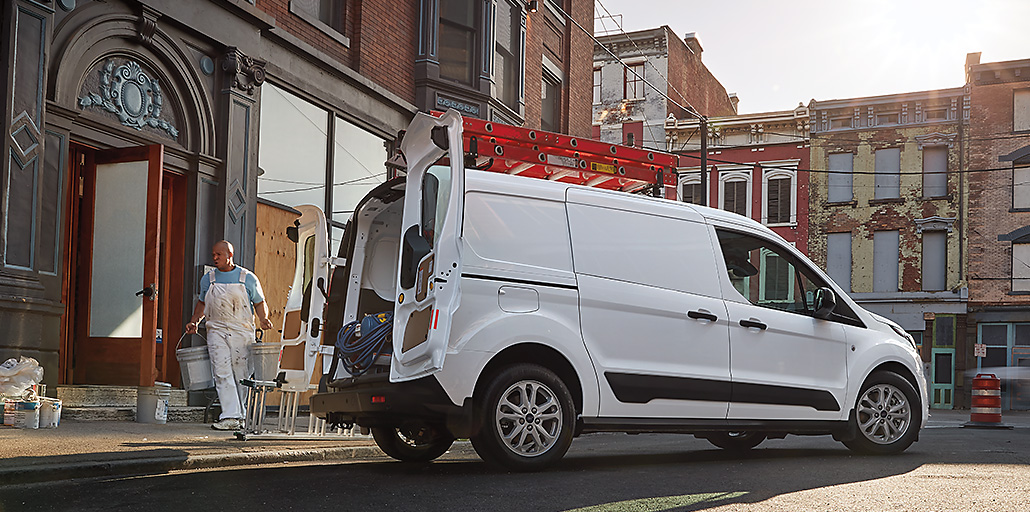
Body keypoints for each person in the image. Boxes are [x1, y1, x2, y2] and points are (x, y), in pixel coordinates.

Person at [185, 240, 274, 430]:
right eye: (213, 255)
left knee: (241, 372)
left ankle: (241, 414)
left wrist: (263, 318)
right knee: (221, 371)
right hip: (216, 330)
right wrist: (195, 321)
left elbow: (259, 302)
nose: (215, 258)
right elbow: (202, 303)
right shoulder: (208, 279)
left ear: (230, 255)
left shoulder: (247, 278)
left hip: (241, 331)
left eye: (219, 255)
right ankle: (230, 415)